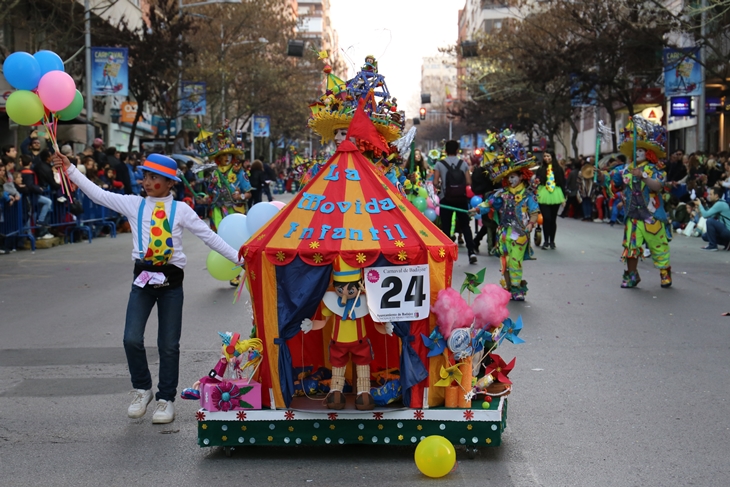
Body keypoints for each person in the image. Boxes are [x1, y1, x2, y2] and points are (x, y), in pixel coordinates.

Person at [53, 151, 242, 424]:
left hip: (171, 282)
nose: (147, 182)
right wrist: (70, 170)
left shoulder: (181, 210)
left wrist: (241, 260)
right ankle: (143, 389)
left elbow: (210, 238)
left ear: (169, 183)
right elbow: (97, 194)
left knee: (168, 345)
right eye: (146, 176)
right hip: (142, 280)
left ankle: (166, 398)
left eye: (154, 177)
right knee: (131, 338)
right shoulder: (133, 204)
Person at [300, 258, 392, 411]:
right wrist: (311, 325)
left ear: (359, 287)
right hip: (338, 344)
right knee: (337, 369)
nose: (344, 293)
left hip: (360, 342)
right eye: (340, 289)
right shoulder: (332, 303)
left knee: (363, 369)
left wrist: (386, 328)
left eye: (350, 290)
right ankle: (336, 392)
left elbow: (376, 323)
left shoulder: (364, 302)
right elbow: (323, 322)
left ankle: (363, 392)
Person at [470, 129, 539, 301]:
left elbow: (535, 211)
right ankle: (509, 286)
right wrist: (477, 209)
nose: (511, 180)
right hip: (504, 233)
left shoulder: (527, 195)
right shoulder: (502, 193)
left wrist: (531, 223)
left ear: (522, 177)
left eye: (514, 177)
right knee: (505, 262)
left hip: (519, 233)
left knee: (515, 261)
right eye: (509, 178)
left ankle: (517, 289)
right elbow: (490, 202)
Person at [612, 119, 672, 289]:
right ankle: (632, 276)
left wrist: (643, 176)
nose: (637, 153)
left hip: (651, 215)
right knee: (631, 247)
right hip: (633, 216)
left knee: (658, 245)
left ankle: (664, 272)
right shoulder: (625, 169)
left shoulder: (655, 169)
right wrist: (601, 177)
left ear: (648, 153)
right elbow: (614, 183)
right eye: (635, 150)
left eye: (641, 150)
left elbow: (658, 186)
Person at [433, 140, 477, 264]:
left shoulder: (439, 164)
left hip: (446, 199)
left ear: (445, 151)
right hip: (460, 198)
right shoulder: (463, 164)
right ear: (457, 151)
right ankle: (471, 252)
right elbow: (468, 181)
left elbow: (435, 182)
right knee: (465, 226)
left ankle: (447, 255)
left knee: (446, 227)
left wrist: (442, 185)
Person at [535, 152, 565, 249]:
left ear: (552, 157)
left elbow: (562, 183)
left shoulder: (558, 169)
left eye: (548, 156)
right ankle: (546, 241)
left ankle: (552, 241)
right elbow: (537, 181)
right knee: (546, 218)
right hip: (543, 193)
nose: (546, 158)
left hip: (556, 193)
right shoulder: (540, 169)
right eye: (544, 156)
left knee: (553, 219)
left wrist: (564, 198)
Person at [697, 186, 730, 250]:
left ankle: (712, 246)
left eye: (711, 194)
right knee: (705, 236)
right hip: (725, 231)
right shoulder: (719, 203)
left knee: (710, 221)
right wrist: (704, 205)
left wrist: (699, 205)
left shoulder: (720, 204)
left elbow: (705, 215)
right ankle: (727, 243)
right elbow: (710, 215)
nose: (709, 196)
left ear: (716, 196)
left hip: (728, 230)